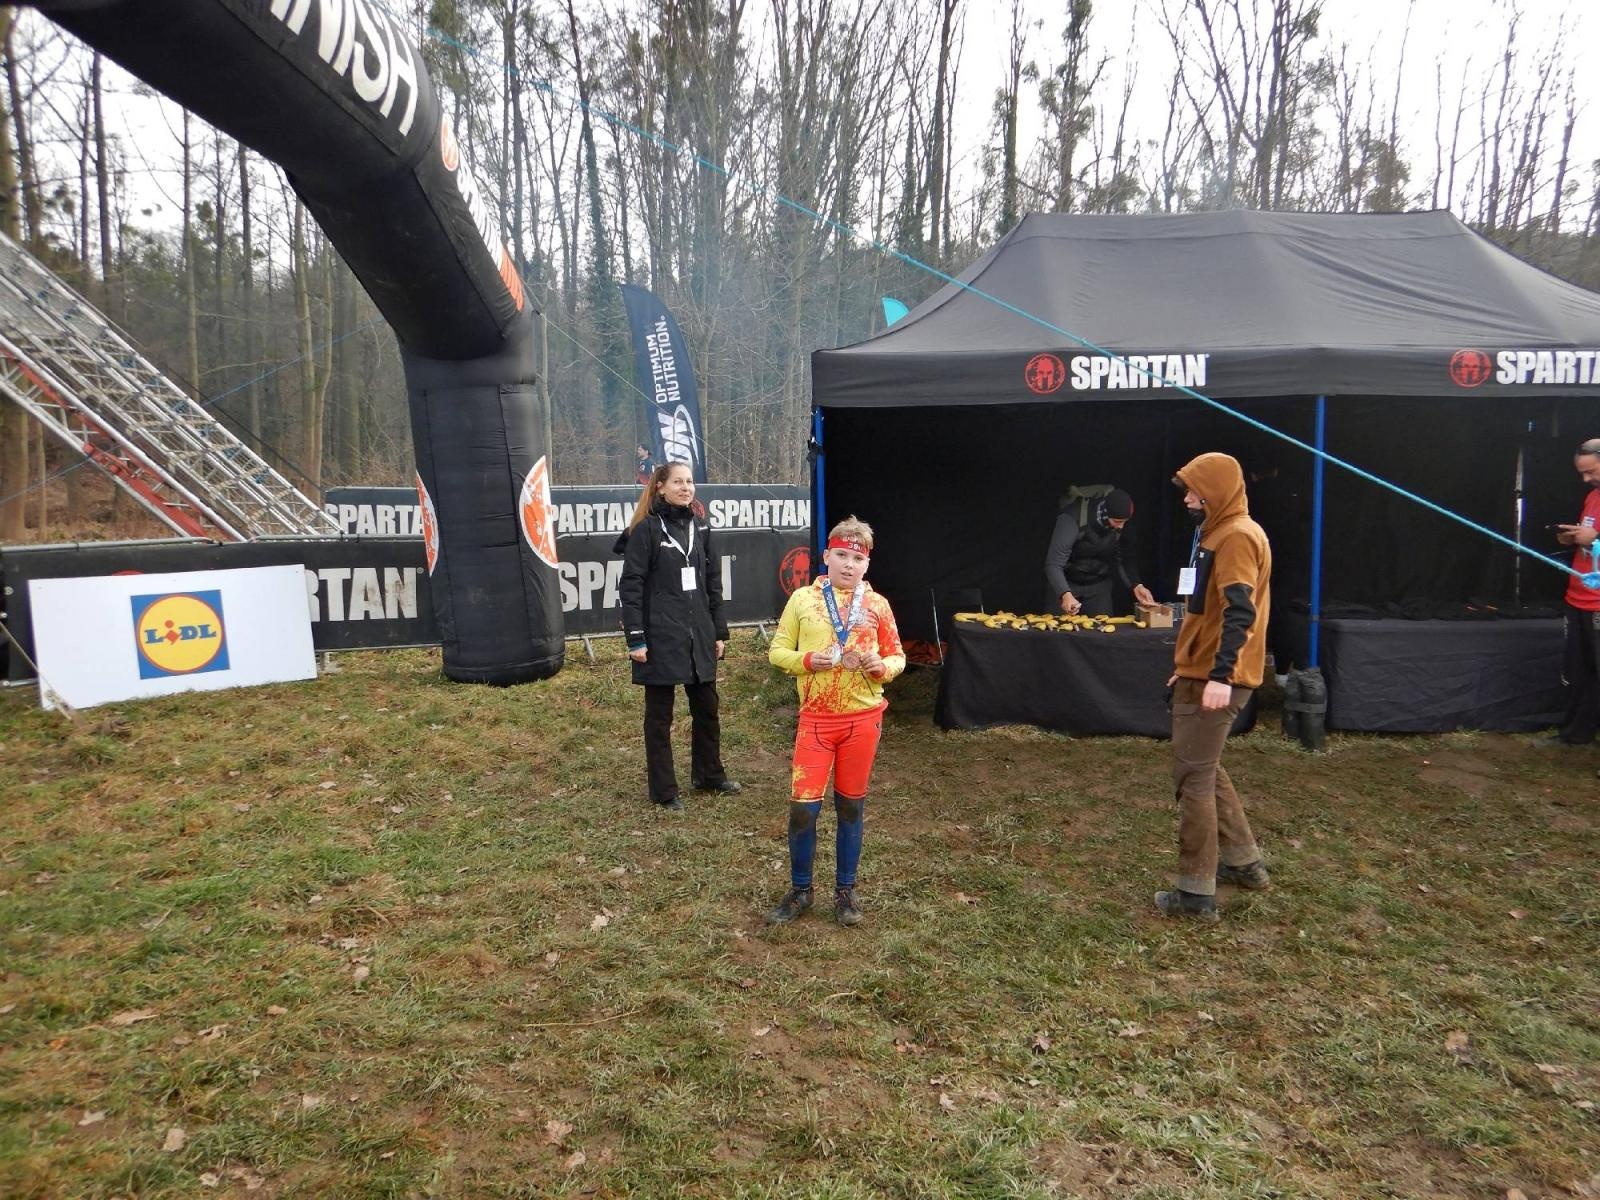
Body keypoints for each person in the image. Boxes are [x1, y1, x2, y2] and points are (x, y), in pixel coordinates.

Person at [766, 517, 905, 927]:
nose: (848, 564)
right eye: (841, 555)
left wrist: (884, 667)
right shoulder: (803, 601)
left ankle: (846, 892)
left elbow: (897, 655)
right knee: (803, 810)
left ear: (867, 565)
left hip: (862, 721)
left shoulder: (877, 605)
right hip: (816, 721)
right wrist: (807, 661)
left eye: (857, 558)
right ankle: (800, 891)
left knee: (850, 807)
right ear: (825, 556)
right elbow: (777, 652)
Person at [1157, 452, 1273, 923]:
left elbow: (1239, 612)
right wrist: (1188, 667)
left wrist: (1220, 676)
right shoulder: (1220, 533)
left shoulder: (1239, 537)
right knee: (1207, 768)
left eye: (1193, 491)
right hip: (1200, 674)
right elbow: (1207, 614)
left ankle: (1195, 893)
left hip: (1217, 680)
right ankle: (1245, 864)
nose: (1187, 499)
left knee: (1194, 779)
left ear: (1216, 493)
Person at [617, 461, 741, 810]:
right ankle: (664, 791)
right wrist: (636, 639)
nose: (686, 487)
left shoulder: (700, 527)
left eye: (690, 482)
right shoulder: (646, 530)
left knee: (707, 708)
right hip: (659, 636)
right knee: (660, 718)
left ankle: (709, 775)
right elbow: (631, 586)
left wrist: (717, 632)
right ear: (660, 486)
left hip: (697, 633)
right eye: (678, 482)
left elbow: (712, 583)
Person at [1551, 437, 1600, 747]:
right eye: (1582, 474)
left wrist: (1594, 538)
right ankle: (1576, 735)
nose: (1586, 479)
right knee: (1580, 672)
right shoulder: (1594, 496)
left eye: (1591, 472)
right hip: (1578, 597)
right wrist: (1574, 538)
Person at [1044, 486, 1156, 617]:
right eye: (1117, 521)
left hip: (1098, 585)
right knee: (1059, 632)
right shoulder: (1072, 518)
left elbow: (1125, 558)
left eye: (1124, 522)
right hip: (1066, 581)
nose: (1121, 527)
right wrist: (1064, 594)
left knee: (1102, 633)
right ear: (1105, 513)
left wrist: (1136, 585)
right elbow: (1053, 564)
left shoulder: (1123, 521)